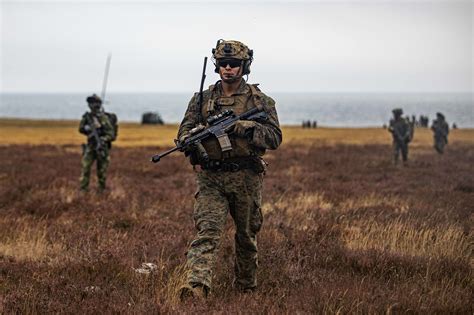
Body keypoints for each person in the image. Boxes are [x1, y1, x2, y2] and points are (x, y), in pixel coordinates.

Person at [177, 39, 282, 300]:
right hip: (211, 177)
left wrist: (249, 128)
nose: (228, 68)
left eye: (234, 64)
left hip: (245, 177)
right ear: (216, 66)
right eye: (223, 63)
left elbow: (275, 138)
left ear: (243, 66)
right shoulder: (202, 99)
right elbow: (182, 133)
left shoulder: (260, 101)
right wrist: (191, 139)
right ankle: (196, 287)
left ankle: (246, 289)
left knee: (246, 236)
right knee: (208, 232)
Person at [79, 94, 117, 192]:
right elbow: (81, 129)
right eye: (90, 103)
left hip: (102, 147)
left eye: (94, 103)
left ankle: (101, 190)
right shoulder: (87, 117)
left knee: (101, 171)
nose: (92, 105)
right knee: (85, 167)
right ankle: (83, 190)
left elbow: (111, 135)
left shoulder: (104, 118)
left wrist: (103, 138)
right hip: (91, 146)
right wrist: (88, 129)